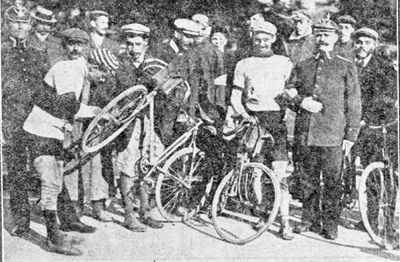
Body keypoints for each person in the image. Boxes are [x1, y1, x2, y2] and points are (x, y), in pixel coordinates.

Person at [22, 30, 109, 256]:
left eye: (80, 45)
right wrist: (96, 112)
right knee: (50, 183)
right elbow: (67, 106)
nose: (104, 78)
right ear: (93, 66)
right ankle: (53, 237)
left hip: (53, 130)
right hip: (41, 130)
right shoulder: (68, 69)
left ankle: (63, 224)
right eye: (103, 73)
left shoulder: (79, 68)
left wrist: (96, 112)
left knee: (57, 178)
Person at [285, 19, 361, 240]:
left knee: (331, 181)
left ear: (336, 38)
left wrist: (351, 134)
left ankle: (330, 224)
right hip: (306, 132)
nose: (322, 40)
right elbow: (288, 91)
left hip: (333, 134)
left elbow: (354, 103)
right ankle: (308, 220)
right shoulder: (303, 65)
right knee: (307, 178)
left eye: (327, 35)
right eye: (318, 35)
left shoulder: (346, 65)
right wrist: (300, 101)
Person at [230, 21, 295, 240]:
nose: (261, 43)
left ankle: (285, 221)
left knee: (279, 173)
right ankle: (263, 213)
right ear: (252, 39)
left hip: (277, 121)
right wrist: (244, 115)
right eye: (257, 39)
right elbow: (235, 97)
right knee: (257, 171)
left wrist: (288, 110)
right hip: (254, 122)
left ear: (273, 39)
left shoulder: (284, 62)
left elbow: (292, 91)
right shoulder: (244, 63)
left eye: (266, 39)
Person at [2, 3, 50, 238]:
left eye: (24, 23)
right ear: (7, 25)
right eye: (15, 22)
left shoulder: (38, 54)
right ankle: (21, 222)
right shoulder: (1, 53)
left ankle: (58, 219)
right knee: (17, 172)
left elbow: (47, 89)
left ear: (30, 26)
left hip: (37, 120)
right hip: (10, 121)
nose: (20, 26)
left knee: (48, 167)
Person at [113, 23, 166, 231]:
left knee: (148, 164)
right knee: (128, 166)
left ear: (146, 43)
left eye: (138, 44)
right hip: (129, 122)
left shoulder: (154, 65)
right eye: (129, 44)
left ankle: (145, 211)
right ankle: (128, 214)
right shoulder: (121, 65)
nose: (134, 49)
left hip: (150, 120)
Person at [351, 28, 398, 197]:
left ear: (375, 45)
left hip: (376, 126)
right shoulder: (348, 64)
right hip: (351, 124)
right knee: (346, 165)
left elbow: (386, 98)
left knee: (375, 173)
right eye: (358, 42)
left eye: (367, 43)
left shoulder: (384, 68)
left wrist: (366, 118)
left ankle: (374, 220)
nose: (362, 46)